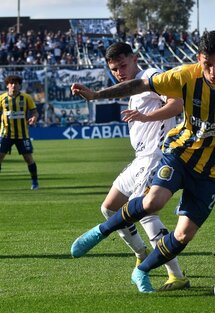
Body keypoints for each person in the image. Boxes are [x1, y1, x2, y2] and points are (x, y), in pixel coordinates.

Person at [70, 30, 215, 293]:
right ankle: (100, 232)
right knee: (152, 202)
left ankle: (142, 269)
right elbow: (140, 84)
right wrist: (96, 95)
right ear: (198, 59)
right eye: (207, 64)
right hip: (180, 154)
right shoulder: (184, 75)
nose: (213, 71)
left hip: (211, 171)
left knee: (183, 235)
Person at [72, 42, 189, 290]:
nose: (119, 72)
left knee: (145, 214)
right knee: (109, 207)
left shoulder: (151, 76)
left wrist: (146, 117)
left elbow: (177, 104)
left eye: (123, 65)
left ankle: (176, 275)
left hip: (156, 157)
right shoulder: (134, 88)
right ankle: (141, 253)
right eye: (114, 69)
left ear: (135, 59)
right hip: (140, 159)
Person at [0, 75, 39, 190]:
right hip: (5, 134)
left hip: (22, 135)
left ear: (19, 85)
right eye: (11, 83)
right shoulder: (2, 98)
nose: (14, 85)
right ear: (7, 85)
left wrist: (34, 118)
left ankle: (35, 182)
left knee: (28, 158)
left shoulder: (26, 97)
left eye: (16, 83)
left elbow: (34, 112)